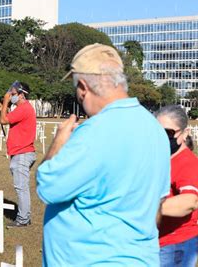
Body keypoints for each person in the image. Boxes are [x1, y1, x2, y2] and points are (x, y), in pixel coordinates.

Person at [36, 43, 171, 266]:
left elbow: (47, 187)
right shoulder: (154, 128)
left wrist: (58, 143)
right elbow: (158, 203)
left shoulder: (94, 131)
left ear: (82, 87)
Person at [155, 105, 198, 267]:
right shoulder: (159, 158)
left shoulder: (187, 164)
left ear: (185, 133)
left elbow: (190, 201)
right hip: (156, 241)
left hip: (175, 245)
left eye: (168, 132)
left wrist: (146, 207)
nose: (161, 137)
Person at [0, 81, 36, 228]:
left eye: (13, 94)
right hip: (21, 153)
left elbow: (4, 120)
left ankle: (23, 219)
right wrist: (1, 106)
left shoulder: (24, 108)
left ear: (22, 95)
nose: (10, 96)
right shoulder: (22, 109)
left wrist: (5, 101)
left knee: (21, 187)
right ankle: (24, 217)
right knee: (21, 186)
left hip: (22, 153)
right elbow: (10, 117)